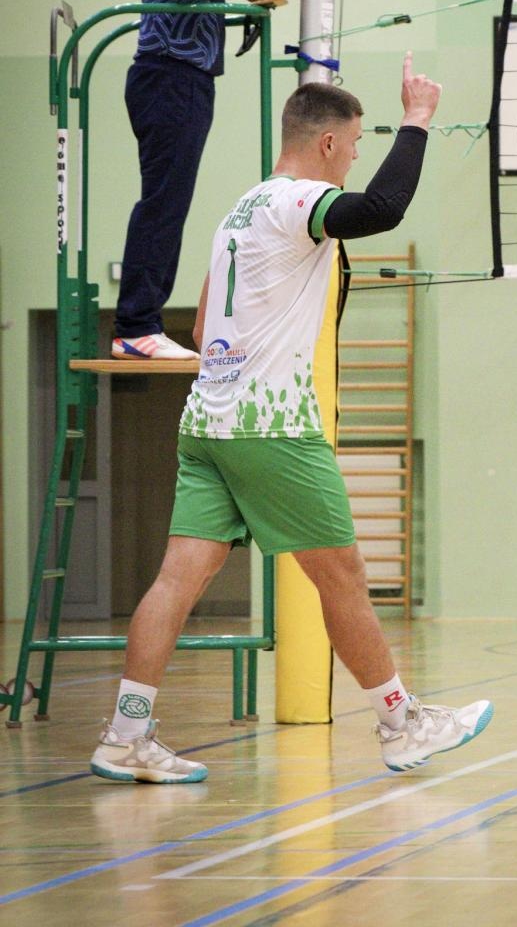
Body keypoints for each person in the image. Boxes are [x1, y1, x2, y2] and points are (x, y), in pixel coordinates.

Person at [91, 52, 494, 783]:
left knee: (177, 579)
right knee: (342, 575)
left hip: (207, 421)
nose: (357, 158)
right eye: (358, 145)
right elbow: (382, 210)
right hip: (271, 427)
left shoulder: (239, 210)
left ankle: (125, 735)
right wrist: (417, 119)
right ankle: (402, 725)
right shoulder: (295, 202)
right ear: (330, 144)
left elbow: (211, 305)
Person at [113, 0, 333, 361]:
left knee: (172, 199)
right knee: (164, 201)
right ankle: (136, 325)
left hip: (189, 79)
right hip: (169, 75)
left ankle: (139, 323)